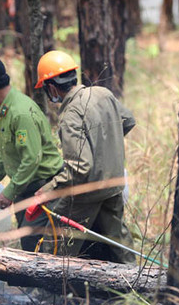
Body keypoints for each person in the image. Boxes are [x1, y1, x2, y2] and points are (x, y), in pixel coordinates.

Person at [34, 50, 136, 263]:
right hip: (115, 183)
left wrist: (47, 190)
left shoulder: (70, 114)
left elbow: (79, 167)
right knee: (120, 242)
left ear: (51, 87)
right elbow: (128, 121)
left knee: (56, 239)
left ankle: (49, 290)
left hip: (88, 191)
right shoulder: (102, 93)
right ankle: (135, 286)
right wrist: (105, 147)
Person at [0, 57, 63, 252]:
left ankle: (40, 282)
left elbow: (31, 159)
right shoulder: (5, 110)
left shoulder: (20, 113)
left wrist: (9, 192)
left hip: (42, 187)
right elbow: (7, 152)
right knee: (28, 242)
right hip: (26, 188)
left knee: (33, 244)